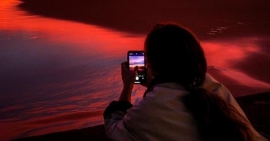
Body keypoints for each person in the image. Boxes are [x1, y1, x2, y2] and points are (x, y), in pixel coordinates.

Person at [104, 23, 266, 140]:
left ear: (152, 65)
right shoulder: (213, 87)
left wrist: (128, 86)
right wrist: (155, 83)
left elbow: (116, 130)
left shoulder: (151, 109)